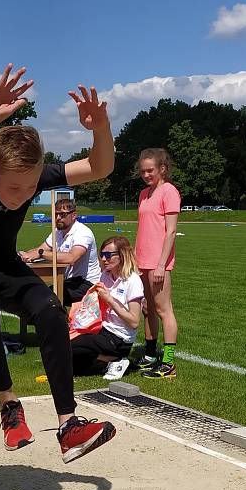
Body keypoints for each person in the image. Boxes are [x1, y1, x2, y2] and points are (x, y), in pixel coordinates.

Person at [0, 63, 116, 464]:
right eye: (13, 187)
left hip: (6, 269)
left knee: (49, 310)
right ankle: (9, 405)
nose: (21, 195)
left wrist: (100, 128)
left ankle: (68, 425)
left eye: (30, 187)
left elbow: (100, 167)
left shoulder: (33, 178)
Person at [69, 236, 143, 381]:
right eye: (101, 255)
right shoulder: (105, 276)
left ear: (122, 255)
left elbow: (134, 322)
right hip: (102, 330)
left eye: (108, 255)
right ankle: (108, 362)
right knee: (68, 359)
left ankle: (115, 358)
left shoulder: (132, 281)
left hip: (119, 337)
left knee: (73, 347)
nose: (103, 259)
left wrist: (109, 300)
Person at [134, 148, 180, 378]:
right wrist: (134, 257)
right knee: (147, 308)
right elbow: (143, 229)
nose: (146, 175)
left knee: (163, 310)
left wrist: (162, 264)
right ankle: (150, 354)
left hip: (158, 261)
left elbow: (171, 232)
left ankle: (169, 363)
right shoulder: (144, 194)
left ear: (162, 168)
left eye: (150, 170)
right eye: (142, 171)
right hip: (142, 260)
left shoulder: (169, 192)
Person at [18, 197, 101, 305]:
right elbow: (41, 248)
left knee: (48, 297)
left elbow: (71, 258)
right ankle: (62, 320)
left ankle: (61, 320)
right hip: (69, 281)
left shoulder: (83, 233)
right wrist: (25, 254)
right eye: (56, 214)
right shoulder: (57, 232)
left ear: (74, 215)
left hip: (87, 283)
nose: (58, 218)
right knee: (41, 292)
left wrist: (41, 253)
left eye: (62, 215)